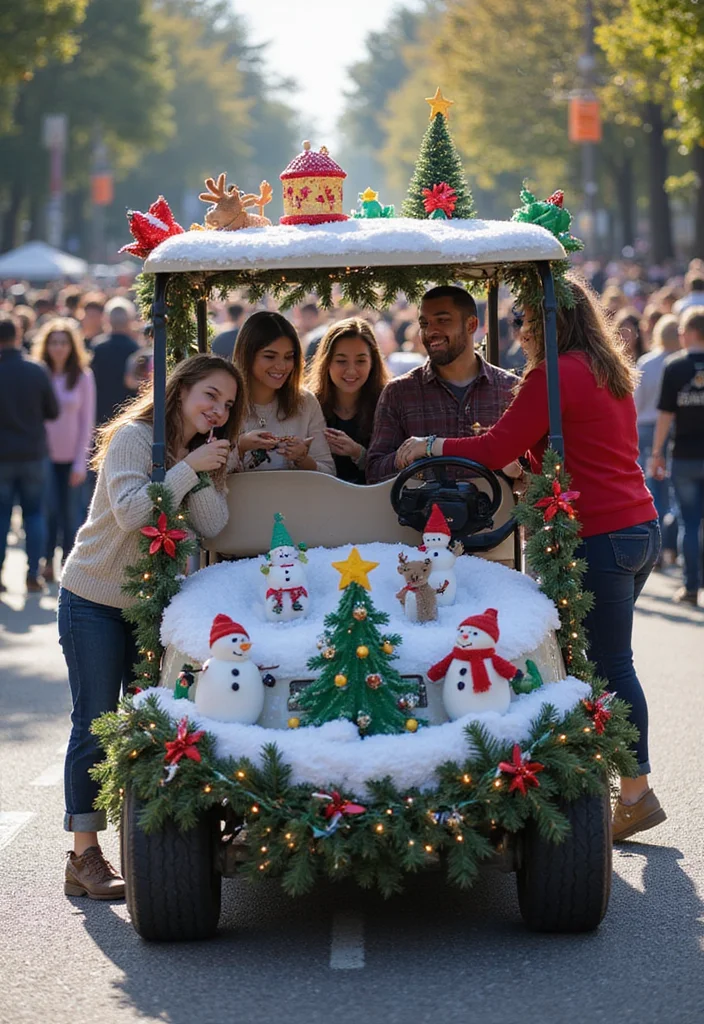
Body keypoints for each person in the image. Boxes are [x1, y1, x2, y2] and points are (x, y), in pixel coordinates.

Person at [398, 277, 665, 842]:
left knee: (610, 664)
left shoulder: (553, 374)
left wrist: (430, 446)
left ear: (548, 322)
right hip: (637, 524)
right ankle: (618, 781)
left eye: (523, 320)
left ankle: (636, 791)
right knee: (602, 659)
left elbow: (495, 447)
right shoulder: (601, 368)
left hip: (600, 531)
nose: (517, 332)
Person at [60, 354, 244, 900]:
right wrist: (188, 468)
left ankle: (142, 847)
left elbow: (214, 526)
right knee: (96, 718)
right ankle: (84, 854)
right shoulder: (134, 439)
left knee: (148, 722)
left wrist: (202, 467)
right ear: (181, 390)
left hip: (152, 606)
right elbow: (132, 513)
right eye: (210, 395)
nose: (218, 409)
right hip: (93, 597)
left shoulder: (198, 452)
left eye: (228, 404)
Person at [366, 286, 519, 484]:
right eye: (424, 323)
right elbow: (374, 472)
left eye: (443, 320)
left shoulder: (510, 390)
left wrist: (518, 469)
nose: (430, 331)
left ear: (471, 325)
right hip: (422, 514)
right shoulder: (400, 393)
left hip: (498, 514)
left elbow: (538, 471)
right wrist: (407, 458)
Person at [33, 318, 96, 581]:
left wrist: (81, 462)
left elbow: (87, 421)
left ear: (72, 346)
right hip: (43, 455)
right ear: (46, 346)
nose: (58, 348)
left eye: (63, 343)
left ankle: (69, 566)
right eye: (54, 342)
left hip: (72, 457)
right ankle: (46, 562)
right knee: (48, 513)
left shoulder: (82, 376)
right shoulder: (40, 374)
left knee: (72, 516)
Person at [0, 312, 59, 593]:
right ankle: (32, 573)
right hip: (34, 452)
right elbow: (53, 411)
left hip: (3, 455)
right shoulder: (36, 370)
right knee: (34, 514)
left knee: (1, 515)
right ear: (18, 336)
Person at [234, 311, 334, 474]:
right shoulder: (226, 403)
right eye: (270, 356)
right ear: (246, 355)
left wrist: (302, 459)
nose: (282, 366)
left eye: (289, 357)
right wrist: (240, 447)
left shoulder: (305, 402)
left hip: (297, 499)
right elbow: (210, 477)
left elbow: (329, 472)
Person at [650, 306, 704, 606]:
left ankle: (691, 587)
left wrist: (656, 453)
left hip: (683, 456)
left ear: (690, 333)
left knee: (690, 523)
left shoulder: (675, 366)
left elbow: (665, 416)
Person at [307, 317, 390, 484]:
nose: (351, 371)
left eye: (361, 361)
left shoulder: (388, 403)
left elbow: (395, 466)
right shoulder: (308, 404)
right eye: (341, 361)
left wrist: (358, 453)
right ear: (327, 362)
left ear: (373, 362)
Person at [634, 314, 681, 564]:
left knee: (652, 491)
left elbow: (636, 402)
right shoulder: (678, 363)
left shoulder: (646, 363)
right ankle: (670, 544)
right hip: (672, 428)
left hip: (645, 428)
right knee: (672, 491)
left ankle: (657, 545)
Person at [90, 297, 140, 426]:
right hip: (126, 413)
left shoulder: (97, 347)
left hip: (99, 411)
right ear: (130, 321)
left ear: (107, 320)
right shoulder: (135, 349)